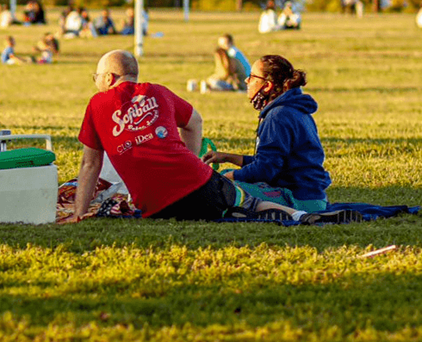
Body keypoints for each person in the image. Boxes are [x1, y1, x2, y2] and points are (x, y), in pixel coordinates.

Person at [69, 50, 344, 223]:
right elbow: (195, 121)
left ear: (108, 78)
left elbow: (90, 165)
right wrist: (194, 160)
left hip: (155, 205)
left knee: (243, 196)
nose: (246, 82)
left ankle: (301, 213)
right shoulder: (159, 91)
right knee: (244, 203)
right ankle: (296, 217)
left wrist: (79, 214)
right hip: (197, 184)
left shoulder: (96, 104)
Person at [201, 55, 341, 215]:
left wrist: (227, 177)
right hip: (315, 198)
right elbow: (275, 163)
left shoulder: (278, 116)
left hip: (296, 199)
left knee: (222, 187)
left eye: (252, 77)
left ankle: (292, 215)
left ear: (267, 86)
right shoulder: (294, 109)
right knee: (225, 178)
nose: (246, 81)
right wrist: (227, 157)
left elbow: (265, 170)